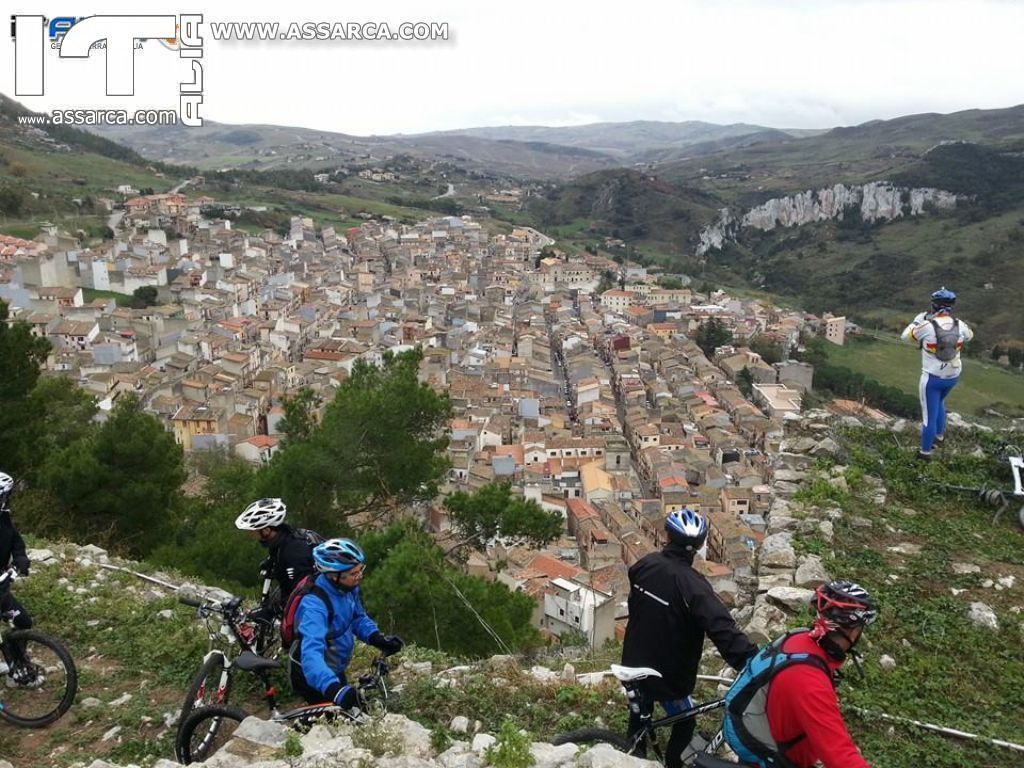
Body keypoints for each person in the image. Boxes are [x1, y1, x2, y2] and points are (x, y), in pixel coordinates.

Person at [621, 509, 758, 768]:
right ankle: (673, 764)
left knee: (639, 712)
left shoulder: (645, 565)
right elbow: (721, 628)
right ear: (700, 545)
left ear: (667, 536)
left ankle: (633, 755)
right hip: (669, 673)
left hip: (633, 657)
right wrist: (750, 660)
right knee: (686, 721)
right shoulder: (694, 585)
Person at [723, 580, 878, 768]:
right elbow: (839, 755)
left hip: (762, 743)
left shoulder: (799, 638)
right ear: (853, 631)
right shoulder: (809, 680)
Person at [288, 538, 403, 707]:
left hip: (334, 667)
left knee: (353, 708)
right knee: (330, 724)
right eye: (354, 573)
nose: (360, 576)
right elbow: (311, 654)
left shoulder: (347, 588)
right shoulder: (314, 606)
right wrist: (334, 689)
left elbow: (356, 617)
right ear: (334, 576)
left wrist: (376, 638)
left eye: (360, 570)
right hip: (312, 675)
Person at [900, 287, 973, 461]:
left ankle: (925, 453)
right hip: (953, 375)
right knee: (940, 401)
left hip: (932, 377)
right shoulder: (960, 325)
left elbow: (905, 337)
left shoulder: (927, 326)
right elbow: (970, 336)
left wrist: (916, 322)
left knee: (928, 416)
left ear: (933, 306)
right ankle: (939, 436)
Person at [235, 498, 316, 620]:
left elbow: (300, 593)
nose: (250, 534)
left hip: (312, 613)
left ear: (267, 530)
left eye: (253, 531)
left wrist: (269, 611)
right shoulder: (282, 540)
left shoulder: (294, 551)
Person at [0, 471, 36, 684]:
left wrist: (20, 559)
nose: (8, 500)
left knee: (23, 622)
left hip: (1, 586)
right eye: (7, 495)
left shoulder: (4, 517)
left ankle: (17, 667)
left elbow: (15, 540)